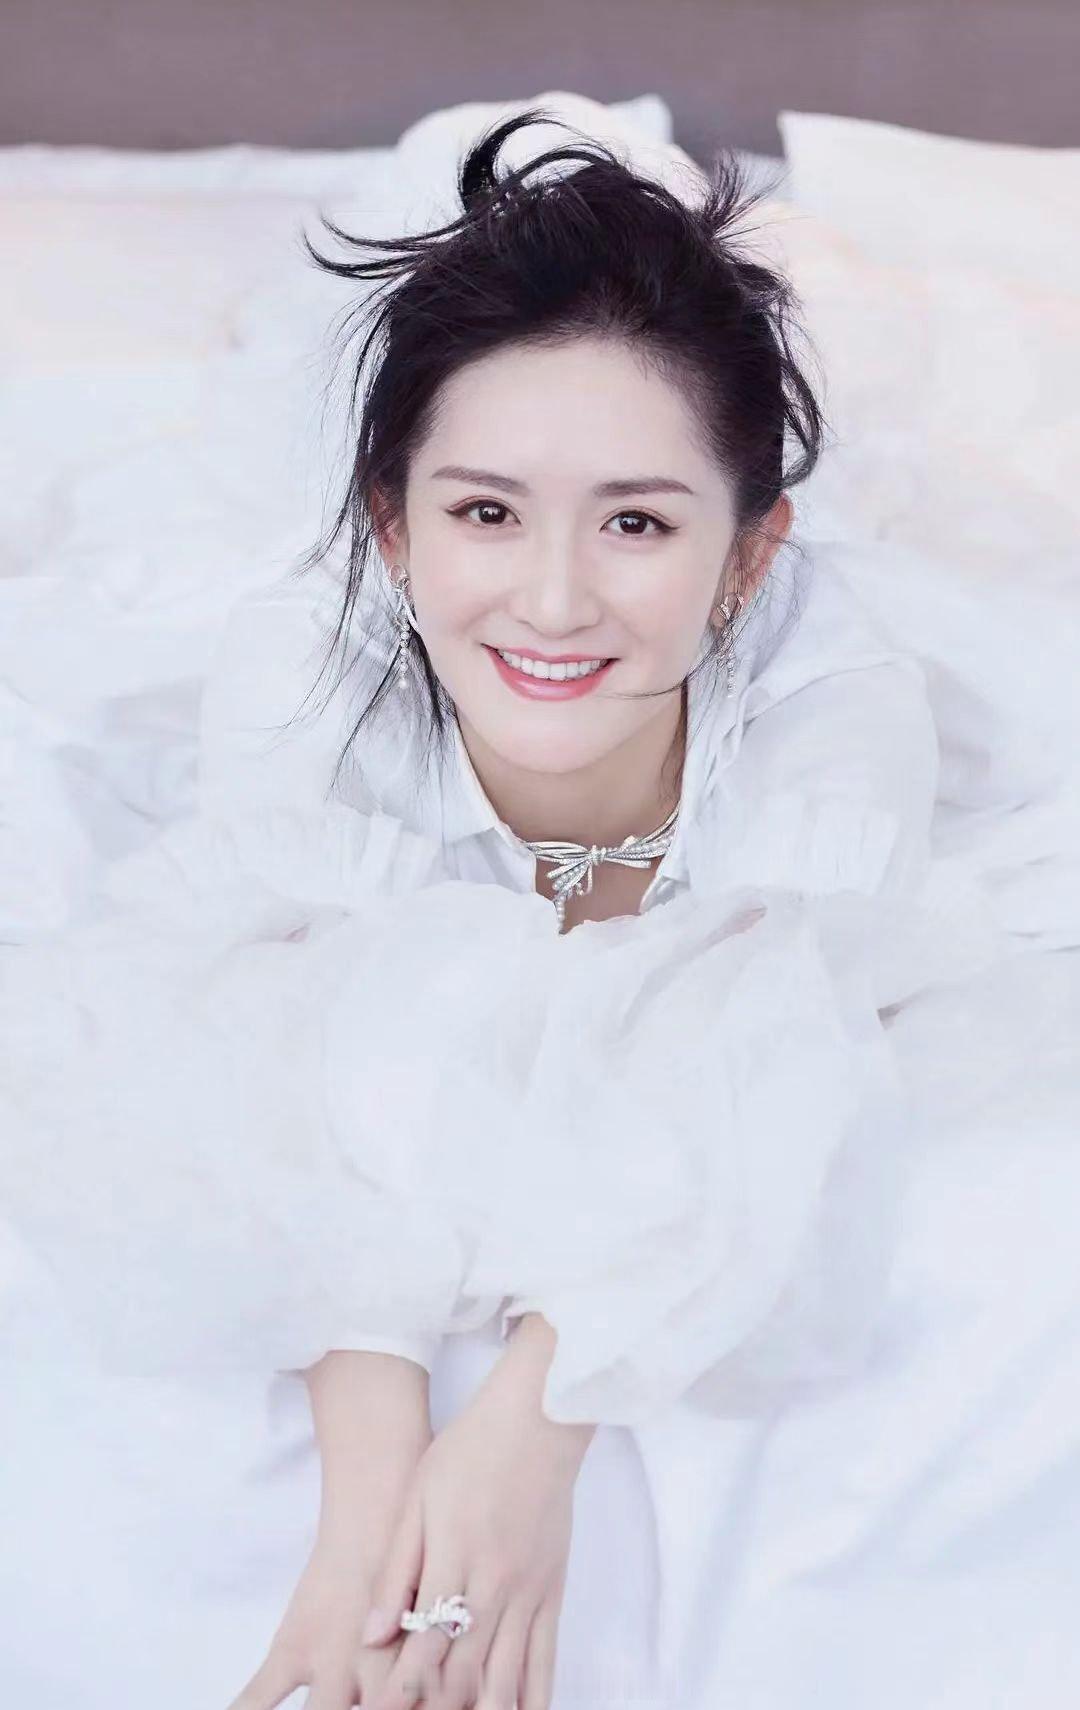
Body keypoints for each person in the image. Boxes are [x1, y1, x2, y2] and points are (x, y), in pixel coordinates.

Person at [3, 110, 1078, 1710]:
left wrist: (534, 1415)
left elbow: (761, 1040)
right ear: (394, 526)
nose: (556, 600)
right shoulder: (305, 674)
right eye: (485, 513)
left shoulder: (834, 704)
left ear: (747, 557)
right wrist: (373, 1507)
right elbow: (278, 1041)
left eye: (637, 522)